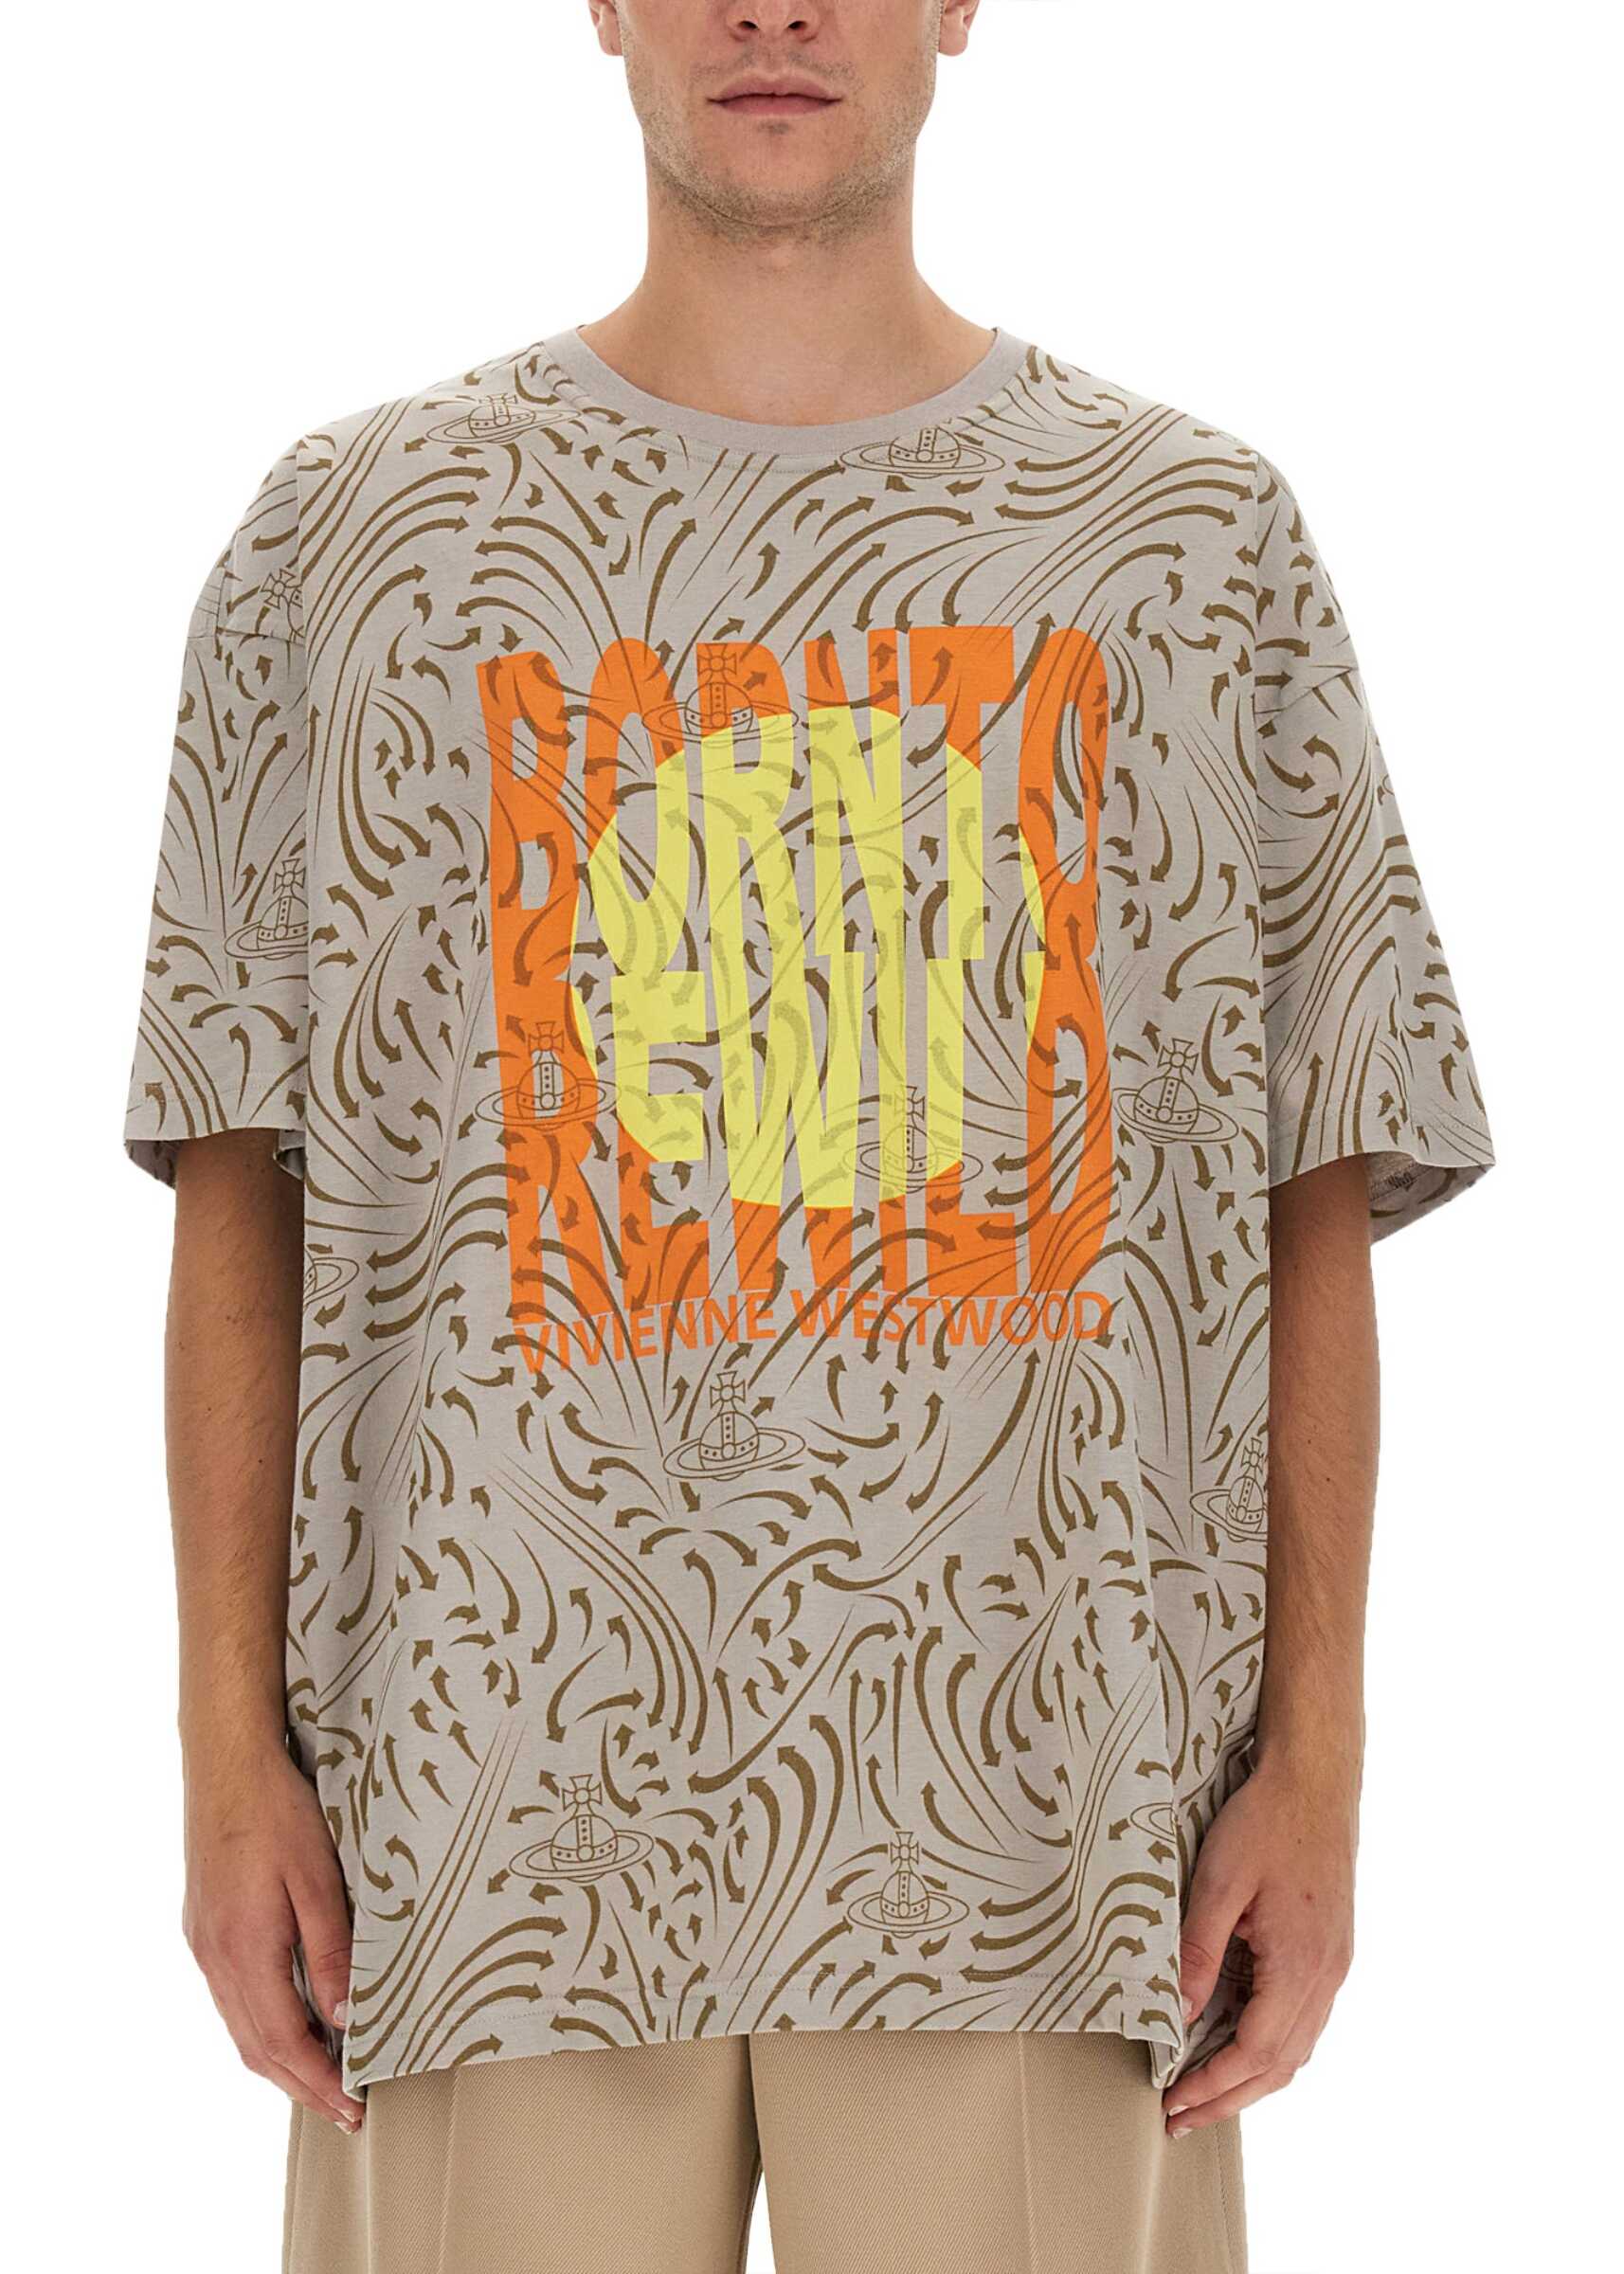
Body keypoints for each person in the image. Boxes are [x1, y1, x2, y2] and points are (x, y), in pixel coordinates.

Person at [121, 5, 1497, 2270]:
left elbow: (1306, 1179)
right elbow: (237, 1171)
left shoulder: (1183, 544)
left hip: (1046, 1827)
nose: (772, 9)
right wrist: (220, 1756)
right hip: (484, 1814)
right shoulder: (357, 541)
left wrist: (1317, 1762)